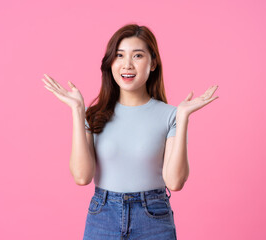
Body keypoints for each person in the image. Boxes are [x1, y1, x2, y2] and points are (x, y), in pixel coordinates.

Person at [41, 23, 219, 240]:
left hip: (153, 217)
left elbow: (174, 182)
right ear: (110, 63)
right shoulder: (93, 115)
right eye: (119, 55)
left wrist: (183, 118)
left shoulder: (171, 115)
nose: (127, 65)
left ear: (153, 63)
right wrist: (78, 111)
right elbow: (81, 176)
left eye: (137, 56)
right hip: (103, 216)